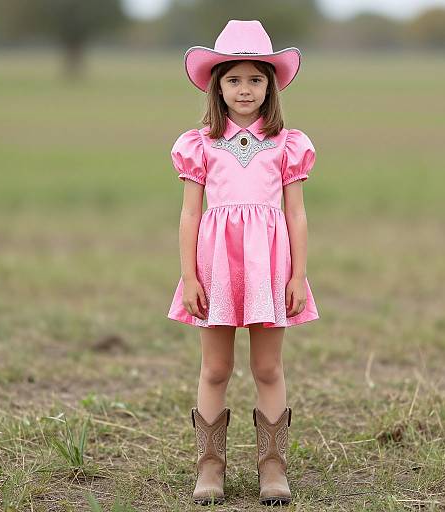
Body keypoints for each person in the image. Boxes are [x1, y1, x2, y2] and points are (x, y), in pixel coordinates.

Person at [167, 19, 319, 506]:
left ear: (270, 85)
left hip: (270, 269)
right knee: (215, 369)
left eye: (256, 79)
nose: (245, 89)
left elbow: (295, 213)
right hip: (216, 267)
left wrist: (297, 274)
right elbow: (191, 214)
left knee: (268, 368)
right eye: (234, 79)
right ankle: (210, 467)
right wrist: (189, 275)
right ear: (218, 85)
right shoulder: (202, 142)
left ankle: (272, 468)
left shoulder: (286, 143)